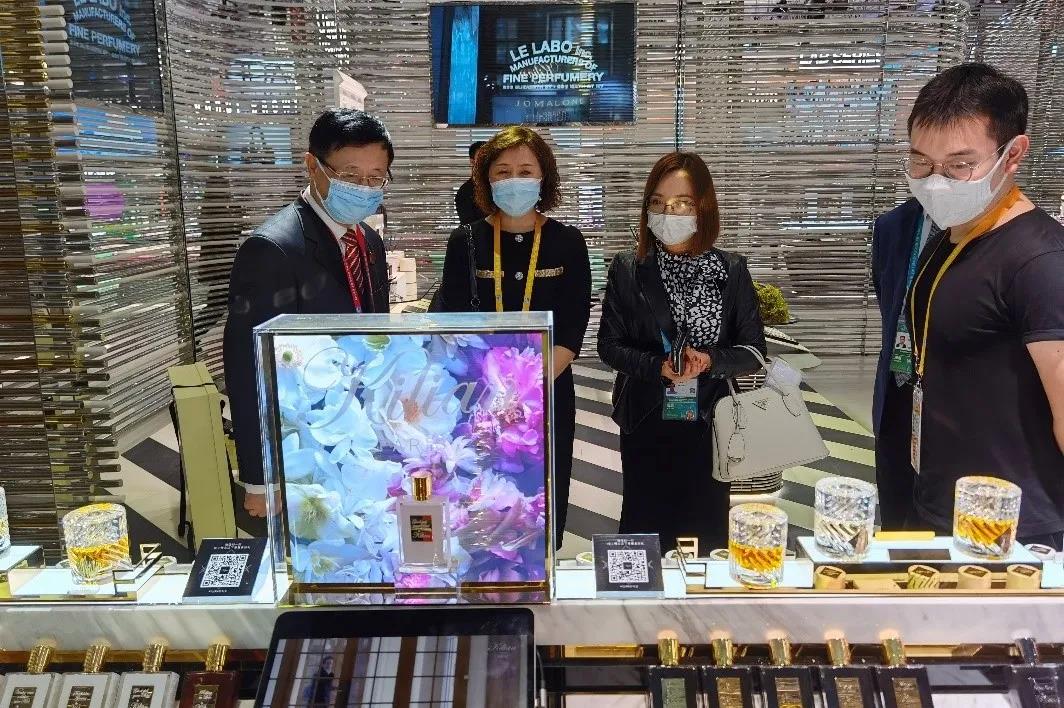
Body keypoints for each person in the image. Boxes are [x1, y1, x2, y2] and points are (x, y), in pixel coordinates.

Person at [879, 63, 1064, 547]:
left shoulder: (1039, 260)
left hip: (1015, 530)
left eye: (960, 165)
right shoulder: (952, 238)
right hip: (939, 504)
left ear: (1013, 154)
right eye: (922, 162)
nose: (936, 182)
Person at [223, 109, 393, 517]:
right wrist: (261, 479)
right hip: (302, 442)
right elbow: (248, 369)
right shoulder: (273, 249)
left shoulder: (368, 239)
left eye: (376, 178)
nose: (364, 189)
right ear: (312, 166)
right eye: (350, 175)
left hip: (355, 433)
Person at [598, 152, 766, 553]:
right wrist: (658, 366)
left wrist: (709, 361)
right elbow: (609, 346)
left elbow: (754, 350)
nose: (667, 213)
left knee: (706, 532)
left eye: (682, 203)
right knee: (643, 529)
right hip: (645, 418)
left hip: (710, 421)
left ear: (703, 207)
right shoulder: (628, 268)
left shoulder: (731, 270)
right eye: (658, 202)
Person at [436, 126, 592, 548]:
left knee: (543, 497)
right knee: (481, 497)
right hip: (479, 395)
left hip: (548, 391)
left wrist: (528, 389)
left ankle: (543, 568)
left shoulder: (567, 242)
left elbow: (574, 324)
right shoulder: (466, 241)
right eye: (503, 172)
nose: (514, 180)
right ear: (486, 180)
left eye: (526, 171)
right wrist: (494, 392)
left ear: (544, 177)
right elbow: (453, 320)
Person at [455, 140, 487, 225]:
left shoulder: (496, 186)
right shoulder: (465, 192)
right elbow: (469, 226)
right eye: (482, 158)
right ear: (472, 162)